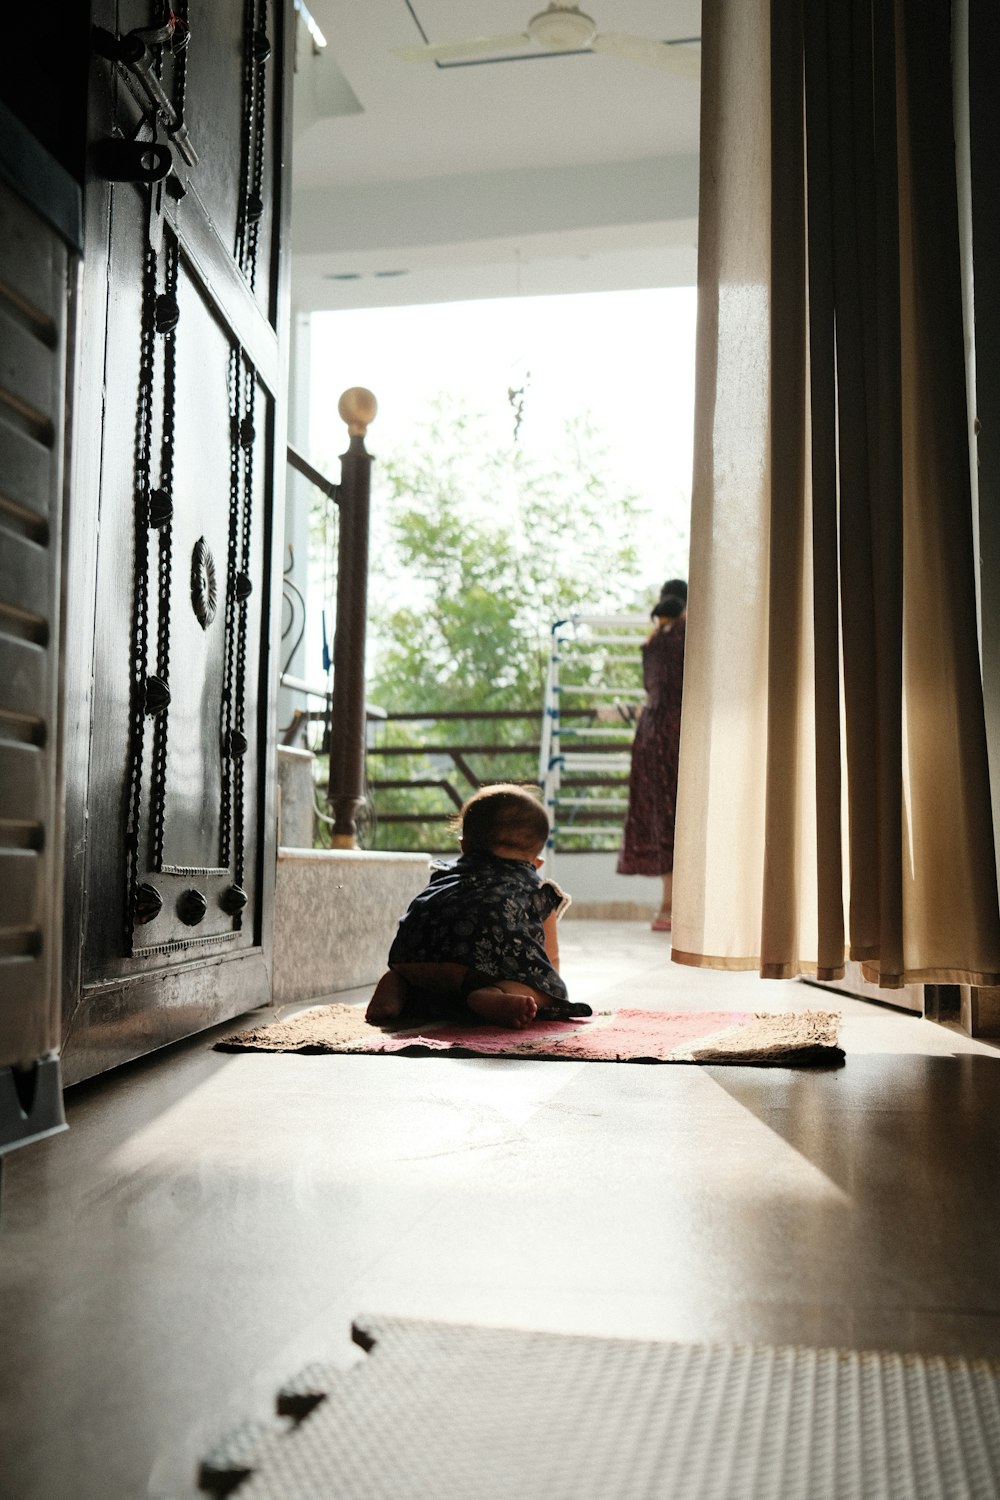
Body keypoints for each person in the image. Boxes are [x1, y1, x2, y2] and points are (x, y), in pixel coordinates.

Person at [366, 783, 591, 1031]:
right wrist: (545, 987)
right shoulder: (537, 890)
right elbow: (549, 958)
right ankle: (494, 993)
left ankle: (396, 982)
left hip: (415, 957)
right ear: (536, 862)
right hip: (483, 965)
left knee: (430, 985)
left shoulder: (444, 874)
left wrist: (404, 969)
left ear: (464, 845)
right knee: (545, 988)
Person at [617, 579, 688, 931]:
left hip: (650, 736)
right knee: (691, 814)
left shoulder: (653, 641)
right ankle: (686, 908)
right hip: (682, 730)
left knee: (663, 818)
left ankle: (667, 907)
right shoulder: (689, 636)